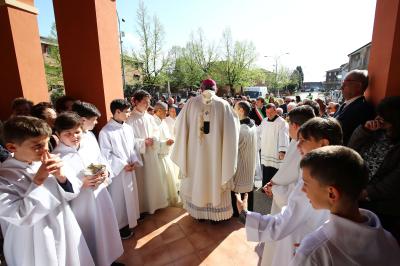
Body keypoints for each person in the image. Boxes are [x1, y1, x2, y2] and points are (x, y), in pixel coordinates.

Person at [237, 117, 342, 266]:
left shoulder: (315, 178)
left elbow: (286, 221)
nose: (297, 145)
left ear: (323, 143)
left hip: (300, 239)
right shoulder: (340, 168)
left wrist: (246, 215)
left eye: (303, 140)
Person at [0, 116, 94, 266]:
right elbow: (19, 216)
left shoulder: (42, 161)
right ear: (12, 147)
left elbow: (71, 192)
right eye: (37, 146)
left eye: (47, 143)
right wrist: (39, 180)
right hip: (31, 242)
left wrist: (61, 177)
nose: (45, 150)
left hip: (63, 226)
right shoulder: (4, 177)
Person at [290, 146, 400, 265]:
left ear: (332, 193)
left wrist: (308, 253)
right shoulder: (389, 241)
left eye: (306, 183)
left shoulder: (314, 252)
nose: (302, 189)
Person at [53, 113, 123, 266]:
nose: (74, 136)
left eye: (77, 132)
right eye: (68, 134)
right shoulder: (56, 158)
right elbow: (58, 186)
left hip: (100, 195)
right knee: (88, 234)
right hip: (80, 204)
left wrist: (105, 173)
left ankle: (109, 260)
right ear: (58, 135)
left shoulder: (89, 144)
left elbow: (101, 161)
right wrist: (80, 184)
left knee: (105, 229)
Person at [171, 79, 240, 221]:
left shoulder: (191, 103)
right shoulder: (224, 105)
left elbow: (178, 127)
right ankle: (215, 216)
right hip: (217, 156)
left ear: (201, 88)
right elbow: (233, 132)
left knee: (197, 178)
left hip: (194, 155)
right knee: (216, 177)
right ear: (215, 89)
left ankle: (199, 214)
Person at [261, 105, 315, 266]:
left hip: (289, 209)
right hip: (282, 198)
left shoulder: (303, 148)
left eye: (289, 123)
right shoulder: (297, 142)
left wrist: (275, 189)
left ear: (295, 126)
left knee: (281, 251)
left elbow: (299, 187)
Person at [348, 96, 400, 243]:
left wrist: (365, 193)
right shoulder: (375, 133)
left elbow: (394, 182)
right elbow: (350, 151)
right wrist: (364, 130)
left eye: (385, 118)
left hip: (382, 207)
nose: (379, 120)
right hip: (356, 194)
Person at [99, 99, 142, 240]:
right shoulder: (106, 132)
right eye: (127, 111)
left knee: (130, 196)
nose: (129, 114)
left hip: (130, 168)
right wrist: (123, 164)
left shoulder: (127, 128)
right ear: (117, 112)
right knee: (119, 200)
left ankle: (132, 220)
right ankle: (121, 227)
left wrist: (134, 160)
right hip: (118, 173)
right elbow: (106, 155)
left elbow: (132, 148)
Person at [126, 90, 169, 214]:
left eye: (148, 101)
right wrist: (142, 142)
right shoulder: (130, 119)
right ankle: (144, 207)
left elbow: (156, 132)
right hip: (140, 155)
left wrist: (153, 140)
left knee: (154, 179)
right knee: (143, 182)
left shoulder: (149, 117)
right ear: (136, 102)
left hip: (151, 152)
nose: (147, 104)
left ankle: (156, 203)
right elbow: (129, 139)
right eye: (144, 101)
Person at [231, 101, 258, 216]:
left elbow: (233, 148)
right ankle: (248, 213)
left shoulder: (242, 129)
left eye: (235, 108)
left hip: (242, 165)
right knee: (248, 191)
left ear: (241, 110)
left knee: (240, 193)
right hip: (250, 164)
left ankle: (240, 216)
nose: (233, 110)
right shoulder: (252, 123)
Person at [334, 69, 375, 145]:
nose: (341, 87)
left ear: (359, 86)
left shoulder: (363, 108)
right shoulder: (345, 104)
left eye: (345, 84)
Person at [153, 101, 180, 206]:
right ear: (159, 111)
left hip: (166, 153)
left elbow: (167, 135)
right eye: (166, 111)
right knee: (162, 180)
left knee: (169, 178)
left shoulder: (162, 121)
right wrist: (165, 143)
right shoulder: (152, 122)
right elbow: (153, 140)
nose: (167, 113)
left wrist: (169, 141)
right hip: (158, 156)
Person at [258, 103, 289, 187]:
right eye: (267, 112)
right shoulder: (264, 120)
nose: (269, 114)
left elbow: (284, 137)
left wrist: (282, 151)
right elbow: (258, 131)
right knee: (266, 169)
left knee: (275, 170)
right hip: (266, 150)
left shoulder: (282, 122)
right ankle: (265, 187)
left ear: (275, 111)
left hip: (275, 152)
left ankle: (274, 189)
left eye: (271, 112)